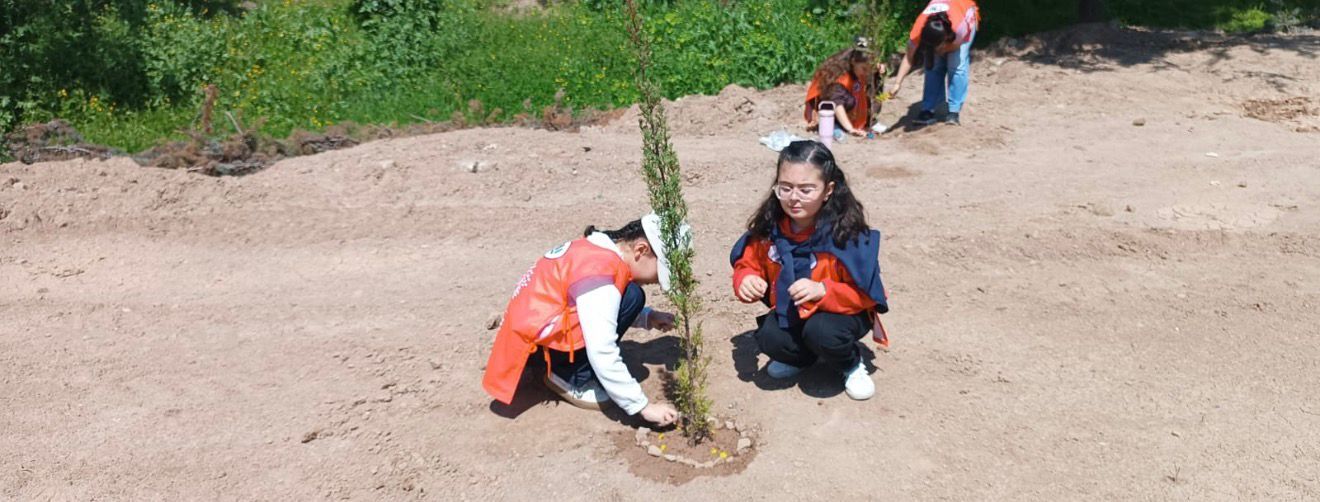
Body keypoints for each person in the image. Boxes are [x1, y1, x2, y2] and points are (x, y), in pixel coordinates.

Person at [483, 213, 687, 426]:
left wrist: (647, 317)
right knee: (632, 295)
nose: (656, 281)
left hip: (532, 334)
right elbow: (602, 348)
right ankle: (570, 376)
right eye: (659, 272)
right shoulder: (599, 273)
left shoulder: (597, 249)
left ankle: (563, 367)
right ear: (641, 250)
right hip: (535, 349)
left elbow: (593, 305)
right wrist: (642, 407)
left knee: (632, 296)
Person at [729, 140, 890, 400]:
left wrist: (823, 290)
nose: (793, 198)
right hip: (795, 310)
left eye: (806, 190)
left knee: (822, 331)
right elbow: (748, 262)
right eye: (786, 188)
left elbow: (867, 295)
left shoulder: (846, 235)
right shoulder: (770, 229)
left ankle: (851, 364)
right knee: (770, 337)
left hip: (843, 314)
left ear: (828, 190)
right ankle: (804, 359)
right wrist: (746, 278)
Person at [890, 0, 980, 126]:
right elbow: (909, 58)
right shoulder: (918, 32)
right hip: (945, 26)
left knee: (956, 65)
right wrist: (897, 83)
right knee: (933, 65)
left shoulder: (959, 28)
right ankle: (928, 109)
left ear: (945, 39)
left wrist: (943, 49)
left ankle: (953, 112)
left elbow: (955, 46)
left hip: (964, 13)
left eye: (939, 46)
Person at [804, 44, 885, 138]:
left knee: (870, 82)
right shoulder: (837, 77)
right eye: (864, 69)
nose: (866, 72)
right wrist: (850, 128)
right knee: (848, 102)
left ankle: (865, 123)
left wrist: (879, 69)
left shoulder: (856, 70)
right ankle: (833, 126)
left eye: (869, 69)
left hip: (845, 106)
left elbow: (873, 81)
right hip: (828, 110)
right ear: (853, 62)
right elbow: (837, 104)